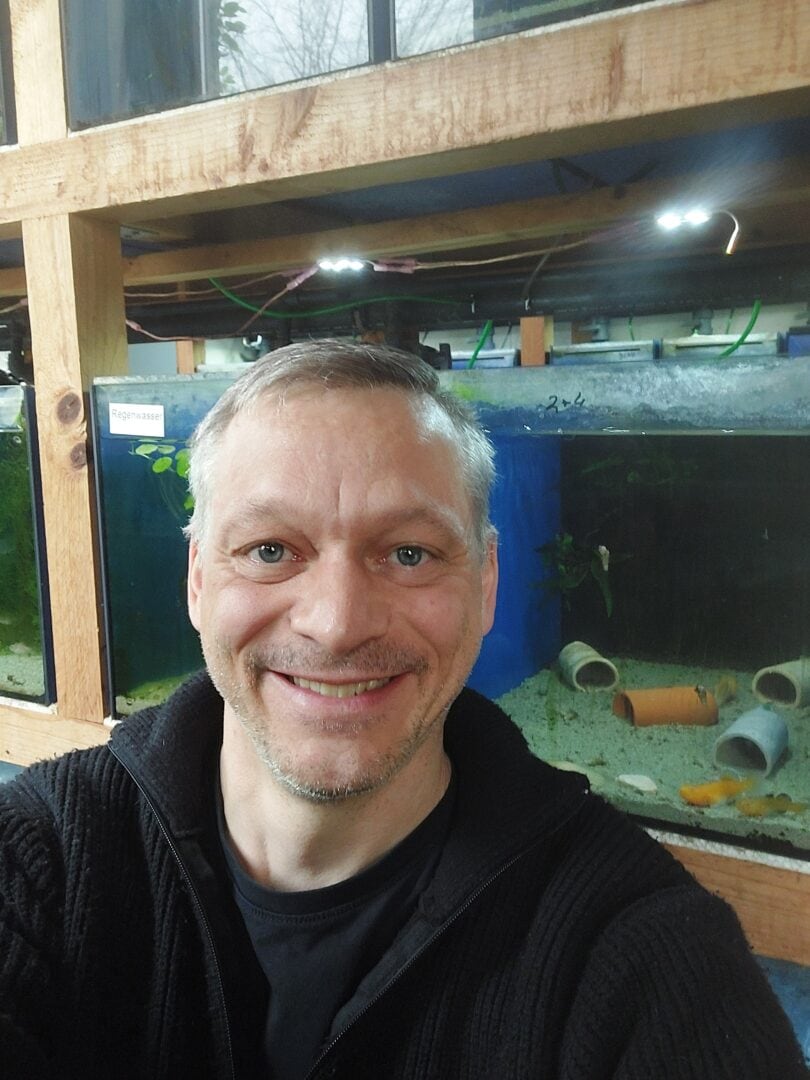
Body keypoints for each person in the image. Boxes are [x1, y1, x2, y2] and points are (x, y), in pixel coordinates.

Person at [0, 340, 806, 1080]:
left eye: (409, 554)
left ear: (486, 583)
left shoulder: (645, 956)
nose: (338, 623)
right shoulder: (43, 861)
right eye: (270, 550)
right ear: (198, 580)